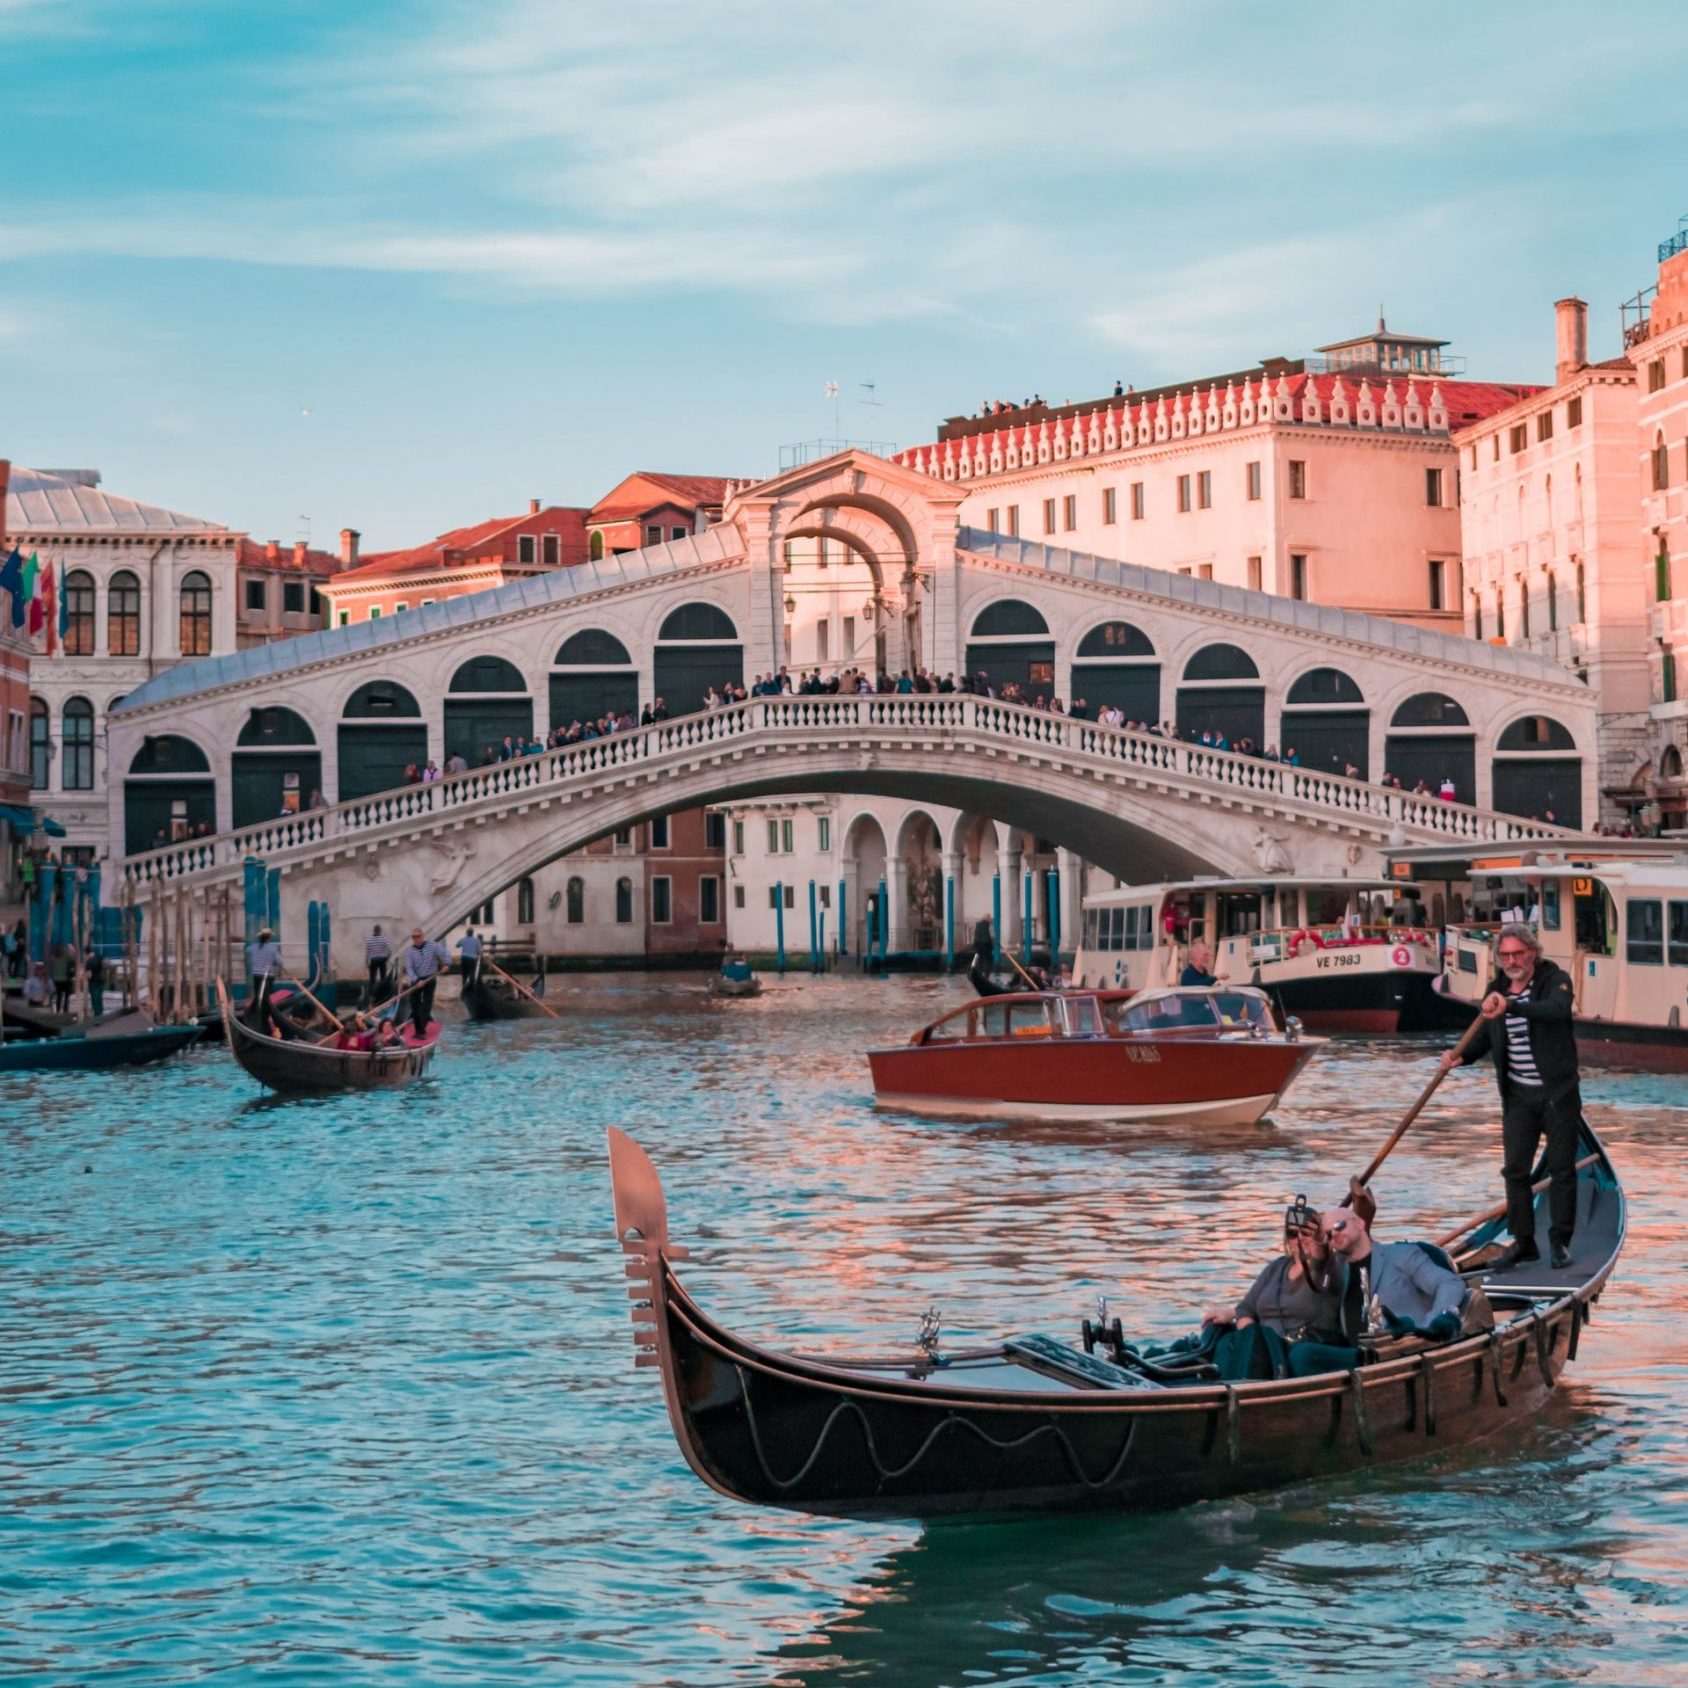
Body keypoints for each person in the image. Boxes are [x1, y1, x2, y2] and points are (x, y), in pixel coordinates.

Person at [1440, 925, 1580, 1270]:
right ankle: (1524, 1241)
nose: (1512, 961)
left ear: (1532, 953)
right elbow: (1487, 1034)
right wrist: (1461, 1056)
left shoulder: (1555, 980)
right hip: (1518, 1096)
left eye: (1518, 953)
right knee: (1515, 1170)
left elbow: (1556, 1011)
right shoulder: (1496, 991)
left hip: (1557, 1095)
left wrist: (1512, 1007)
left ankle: (1560, 1241)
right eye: (1505, 955)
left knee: (1562, 1169)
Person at [1200, 1198, 1352, 1379]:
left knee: (1260, 1337)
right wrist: (1254, 1339)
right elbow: (1245, 1309)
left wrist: (1319, 1249)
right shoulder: (1277, 1268)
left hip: (1302, 1345)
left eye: (1306, 1232)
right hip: (1263, 1348)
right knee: (1217, 1332)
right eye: (1293, 1233)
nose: (1300, 1239)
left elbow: (1322, 1272)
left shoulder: (1331, 1267)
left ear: (1319, 1236)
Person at [1323, 1205, 1491, 1342]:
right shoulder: (1334, 1274)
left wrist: (1429, 1326)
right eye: (1328, 1235)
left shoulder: (1401, 1255)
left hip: (1406, 1352)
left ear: (1360, 1223)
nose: (1334, 1235)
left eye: (1339, 1226)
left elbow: (1450, 1284)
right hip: (1357, 1359)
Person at [400, 927, 451, 1037]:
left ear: (422, 936)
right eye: (413, 937)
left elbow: (445, 954)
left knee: (427, 1005)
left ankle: (421, 1030)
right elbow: (409, 968)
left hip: (430, 978)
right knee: (414, 1003)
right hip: (417, 980)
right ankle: (418, 1028)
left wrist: (447, 964)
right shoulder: (409, 951)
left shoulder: (432, 945)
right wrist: (417, 980)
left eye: (417, 936)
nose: (416, 939)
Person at [247, 926, 282, 1022]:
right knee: (267, 997)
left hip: (256, 975)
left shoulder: (253, 947)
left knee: (258, 993)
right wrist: (273, 961)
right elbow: (280, 962)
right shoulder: (273, 948)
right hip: (268, 975)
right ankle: (265, 1016)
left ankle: (258, 1012)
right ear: (269, 937)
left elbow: (248, 951)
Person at [364, 924, 392, 1002]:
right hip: (382, 959)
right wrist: (387, 957)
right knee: (383, 977)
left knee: (372, 978)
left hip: (373, 960)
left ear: (374, 930)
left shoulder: (369, 939)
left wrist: (366, 961)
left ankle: (372, 996)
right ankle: (383, 994)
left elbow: (367, 952)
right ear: (380, 931)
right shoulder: (383, 939)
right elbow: (389, 950)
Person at [50, 942, 76, 1014]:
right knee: (66, 996)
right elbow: (72, 960)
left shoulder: (54, 957)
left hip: (56, 980)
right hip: (65, 979)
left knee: (59, 995)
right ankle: (65, 1010)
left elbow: (51, 963)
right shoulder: (66, 956)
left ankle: (58, 1010)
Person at [85, 944, 106, 1017]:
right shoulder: (99, 956)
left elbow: (89, 975)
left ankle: (97, 1016)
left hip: (93, 982)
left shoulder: (89, 962)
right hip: (100, 980)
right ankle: (101, 1014)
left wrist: (85, 976)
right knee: (100, 999)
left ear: (86, 953)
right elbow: (106, 962)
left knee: (94, 1000)